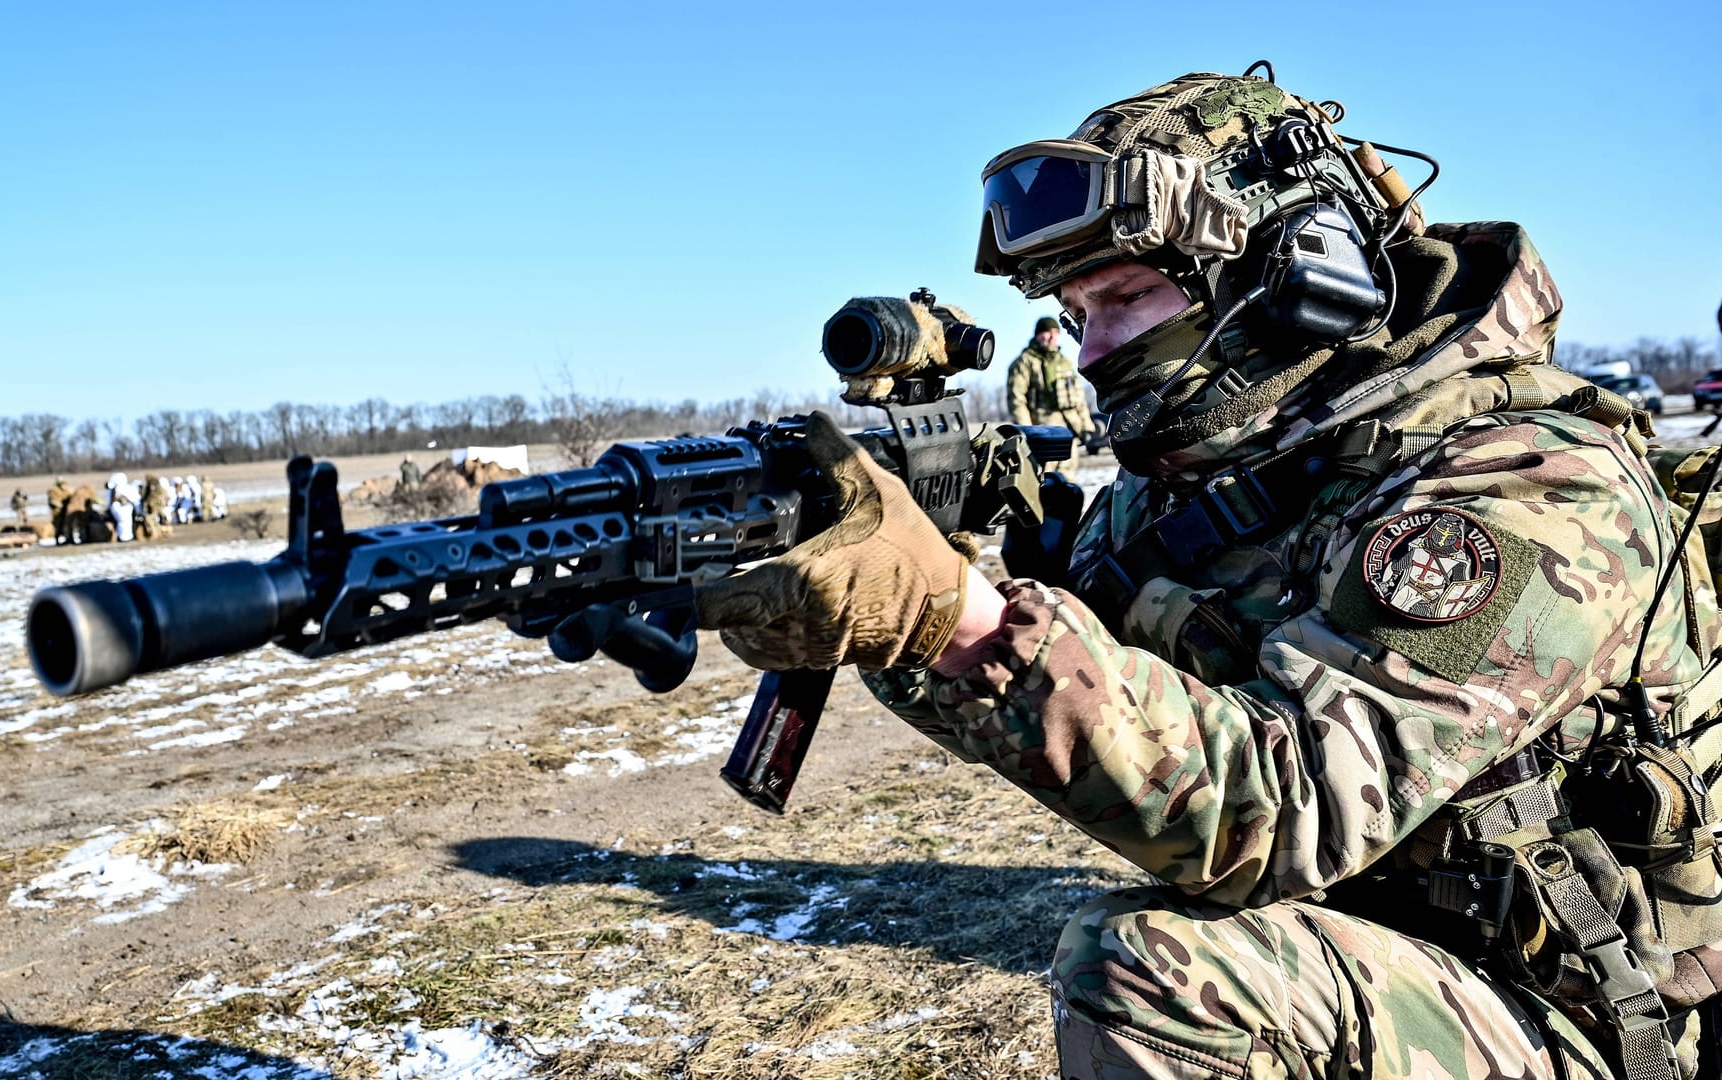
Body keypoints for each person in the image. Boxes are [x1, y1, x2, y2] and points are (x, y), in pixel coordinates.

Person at [697, 69, 1721, 1077]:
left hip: (1589, 1012)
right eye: (1076, 310)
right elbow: (1099, 718)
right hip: (1390, 951)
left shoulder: (1533, 487)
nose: (1093, 350)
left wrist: (953, 617)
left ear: (1302, 276)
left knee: (1158, 977)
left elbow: (1284, 806)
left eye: (1128, 296)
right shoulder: (1214, 477)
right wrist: (908, 600)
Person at [1007, 314, 1096, 470]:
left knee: (1067, 480)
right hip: (1042, 433)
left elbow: (1078, 398)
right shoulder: (1025, 362)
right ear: (1038, 335)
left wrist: (1086, 427)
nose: (1052, 337)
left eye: (1056, 332)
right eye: (1047, 332)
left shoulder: (1064, 362)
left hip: (1068, 430)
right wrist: (1026, 431)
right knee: (1044, 481)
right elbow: (1017, 399)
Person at [105, 472, 136, 542]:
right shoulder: (121, 488)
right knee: (124, 522)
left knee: (124, 522)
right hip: (121, 508)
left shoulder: (120, 488)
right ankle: (124, 537)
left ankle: (123, 537)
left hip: (120, 508)